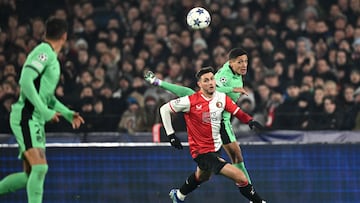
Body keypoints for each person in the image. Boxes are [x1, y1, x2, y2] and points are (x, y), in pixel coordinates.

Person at [0, 17, 85, 203]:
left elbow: (48, 97)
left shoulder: (52, 58)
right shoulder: (44, 52)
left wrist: (67, 113)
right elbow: (25, 81)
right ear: (65, 36)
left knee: (30, 175)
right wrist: (45, 112)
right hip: (26, 115)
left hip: (35, 118)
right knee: (40, 168)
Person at [145, 48, 255, 183]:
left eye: (246, 61)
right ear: (231, 63)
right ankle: (250, 190)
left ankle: (181, 193)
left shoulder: (233, 70)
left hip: (218, 116)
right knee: (236, 156)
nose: (244, 65)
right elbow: (215, 88)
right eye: (240, 62)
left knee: (203, 175)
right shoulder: (225, 75)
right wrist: (231, 89)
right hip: (219, 120)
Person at [159, 67, 265, 203]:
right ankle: (259, 201)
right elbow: (164, 109)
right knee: (241, 177)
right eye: (206, 80)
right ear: (200, 84)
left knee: (202, 176)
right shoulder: (190, 101)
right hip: (201, 152)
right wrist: (171, 135)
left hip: (216, 148)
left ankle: (178, 196)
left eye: (212, 79)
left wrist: (249, 120)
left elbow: (237, 111)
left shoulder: (221, 98)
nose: (210, 83)